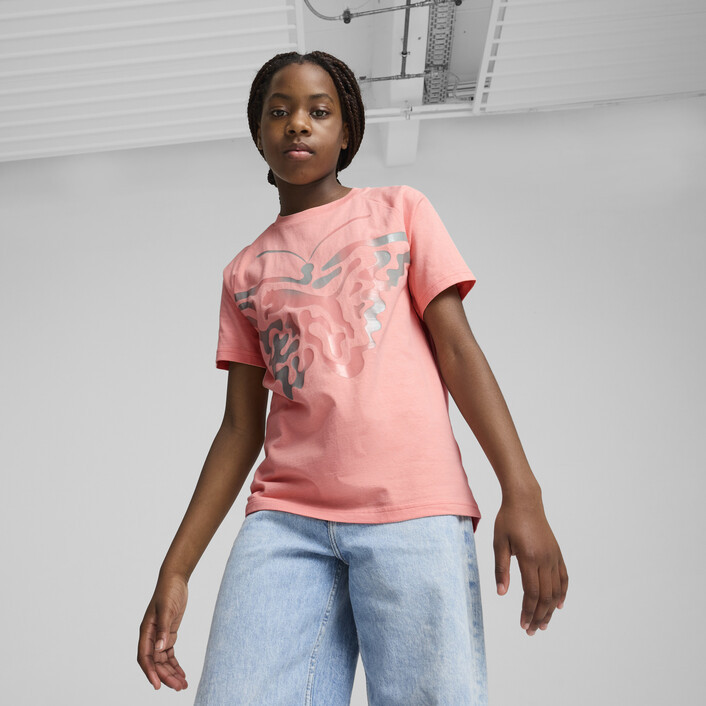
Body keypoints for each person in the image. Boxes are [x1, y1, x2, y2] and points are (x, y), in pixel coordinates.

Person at [137, 50, 568, 705]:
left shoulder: (400, 211)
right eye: (278, 112)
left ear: (347, 132)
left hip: (413, 512)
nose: (297, 124)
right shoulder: (244, 272)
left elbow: (458, 351)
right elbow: (239, 428)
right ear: (258, 132)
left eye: (319, 111)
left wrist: (523, 492)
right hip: (286, 523)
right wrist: (176, 569)